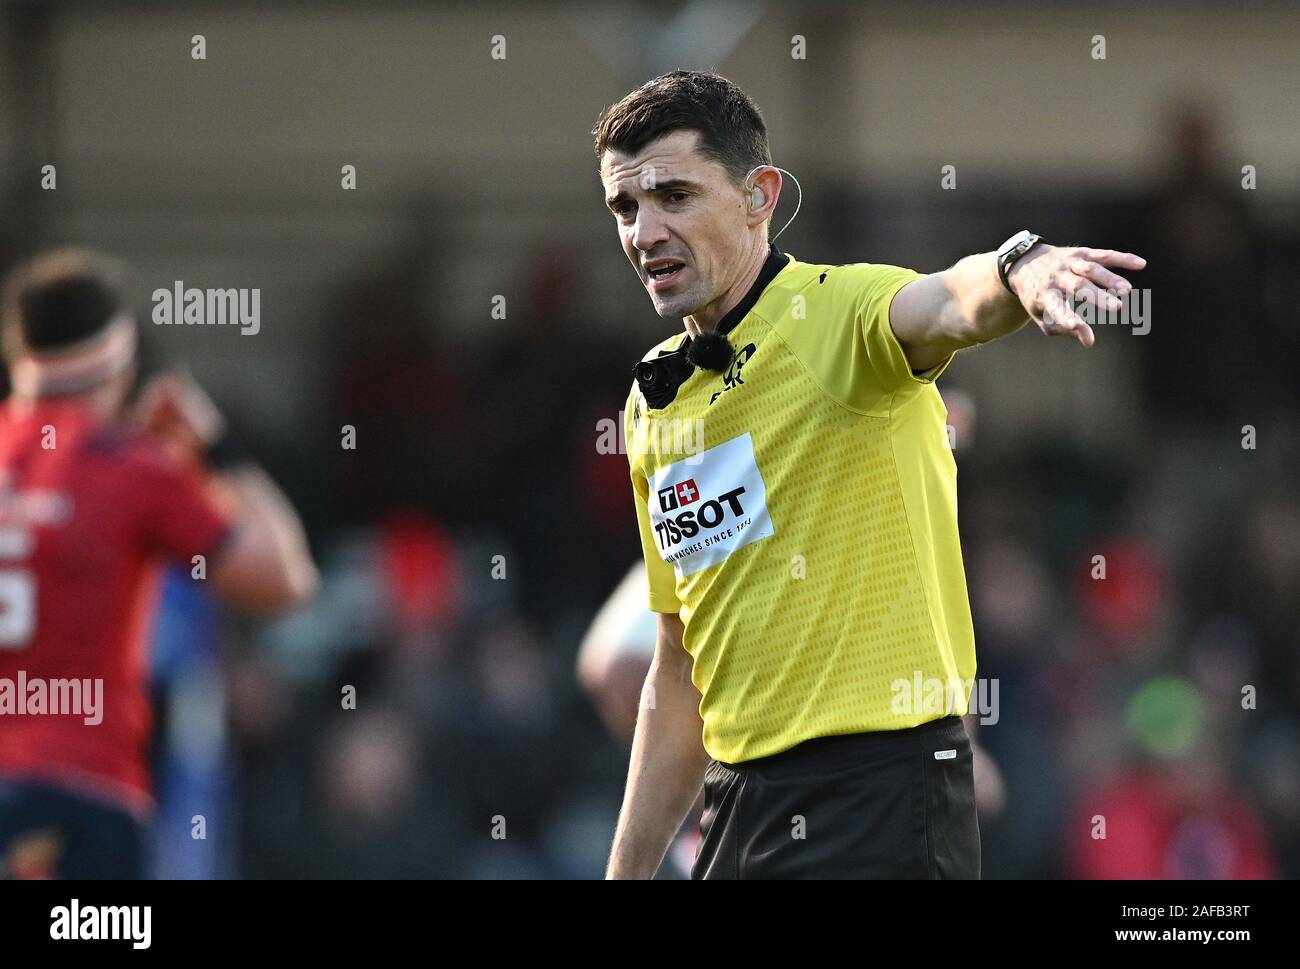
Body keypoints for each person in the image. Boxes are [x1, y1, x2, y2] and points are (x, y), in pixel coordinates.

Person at [593, 70, 1144, 879]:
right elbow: (677, 669)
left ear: (760, 197)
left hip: (878, 797)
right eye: (625, 207)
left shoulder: (838, 313)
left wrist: (1019, 265)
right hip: (738, 806)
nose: (645, 231)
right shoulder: (655, 402)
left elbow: (950, 302)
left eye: (674, 195)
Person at [0, 248, 319, 878]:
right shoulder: (134, 471)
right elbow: (286, 580)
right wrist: (212, 450)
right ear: (119, 362)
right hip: (85, 795)